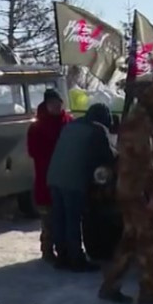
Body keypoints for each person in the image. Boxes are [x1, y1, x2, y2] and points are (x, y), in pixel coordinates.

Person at [99, 83, 153, 304]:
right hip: (139, 192)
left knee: (130, 239)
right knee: (149, 243)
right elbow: (145, 163)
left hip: (128, 189)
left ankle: (110, 285)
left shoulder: (134, 118)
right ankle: (149, 292)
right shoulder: (142, 124)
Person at [46, 103, 114, 271]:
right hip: (73, 181)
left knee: (59, 218)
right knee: (72, 219)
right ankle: (76, 259)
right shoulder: (98, 130)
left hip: (55, 177)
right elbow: (108, 156)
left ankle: (62, 256)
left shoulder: (71, 126)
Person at [27, 89, 72, 263]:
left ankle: (66, 248)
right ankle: (47, 249)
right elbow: (33, 151)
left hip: (66, 176)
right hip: (45, 177)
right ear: (46, 104)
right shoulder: (37, 126)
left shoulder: (68, 121)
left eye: (58, 103)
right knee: (49, 218)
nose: (56, 106)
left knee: (65, 217)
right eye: (53, 103)